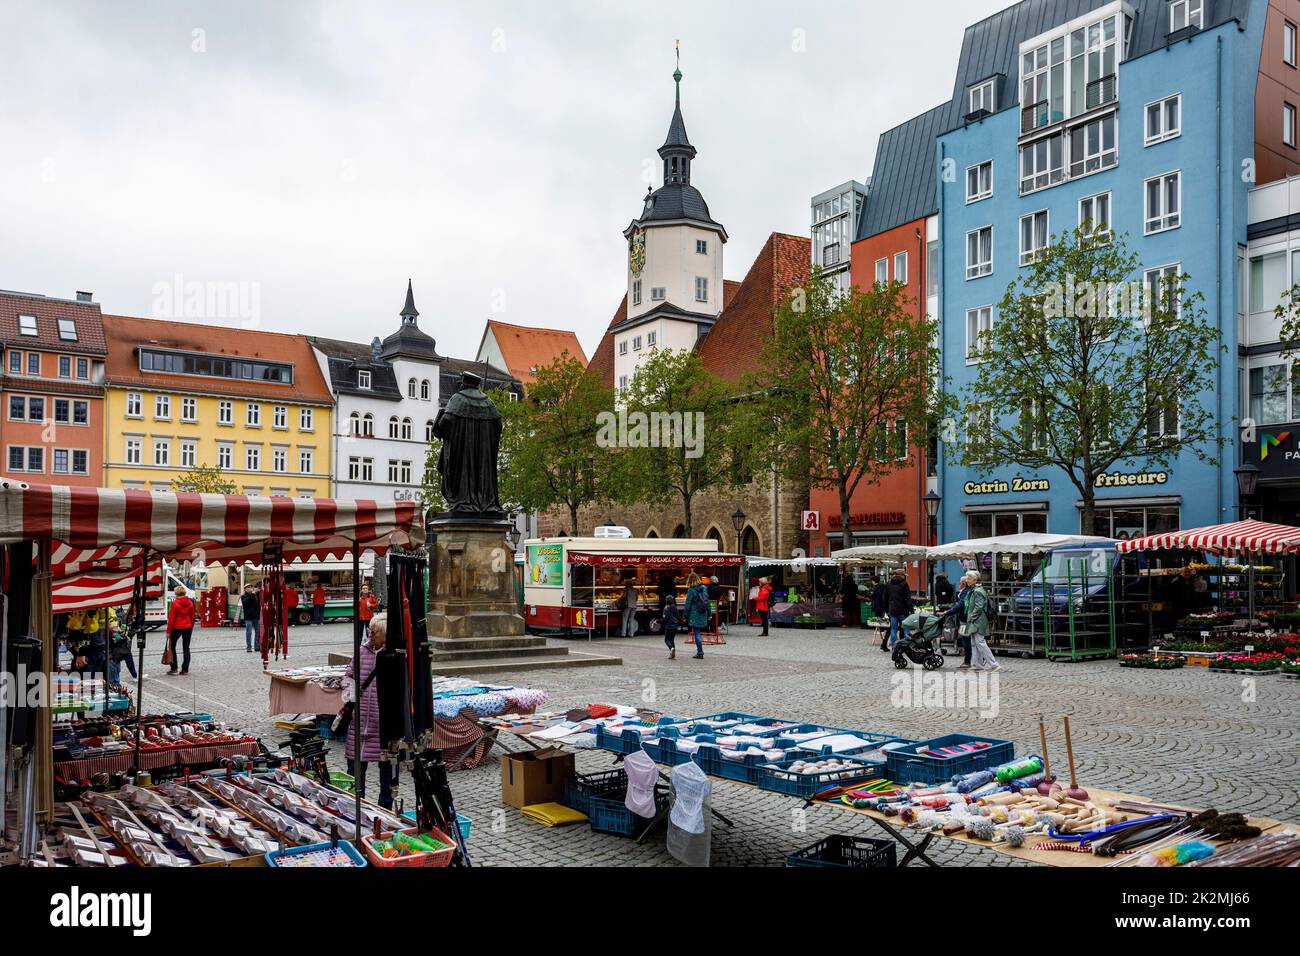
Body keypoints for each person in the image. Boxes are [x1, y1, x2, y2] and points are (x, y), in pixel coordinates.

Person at [343, 612, 395, 808]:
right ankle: (356, 806)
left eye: (375, 632)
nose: (370, 635)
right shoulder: (362, 651)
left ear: (385, 635)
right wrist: (350, 697)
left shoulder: (392, 655)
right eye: (370, 631)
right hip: (359, 720)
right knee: (355, 768)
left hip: (382, 724)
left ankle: (384, 809)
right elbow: (348, 677)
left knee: (387, 769)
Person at [961, 571, 999, 671]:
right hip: (975, 620)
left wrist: (971, 617)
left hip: (978, 620)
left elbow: (979, 607)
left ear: (975, 580)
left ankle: (993, 664)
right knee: (974, 642)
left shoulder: (977, 591)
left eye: (969, 578)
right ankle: (978, 665)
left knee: (980, 642)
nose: (967, 580)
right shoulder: (974, 590)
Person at [166, 584, 196, 676]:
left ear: (177, 593)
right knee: (186, 648)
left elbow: (171, 618)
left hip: (176, 627)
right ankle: (185, 669)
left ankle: (174, 667)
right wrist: (191, 627)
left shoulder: (175, 603)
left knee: (172, 647)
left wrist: (168, 631)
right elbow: (193, 617)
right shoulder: (190, 602)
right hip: (188, 627)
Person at [944, 575, 973, 668]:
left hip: (965, 619)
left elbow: (961, 605)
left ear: (964, 583)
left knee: (966, 639)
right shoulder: (965, 591)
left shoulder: (965, 592)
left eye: (960, 583)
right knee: (971, 640)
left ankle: (967, 661)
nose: (959, 584)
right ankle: (976, 660)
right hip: (966, 618)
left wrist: (948, 612)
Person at [883, 569, 913, 651]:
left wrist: (887, 609)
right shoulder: (904, 584)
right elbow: (907, 598)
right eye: (904, 575)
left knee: (893, 629)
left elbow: (885, 598)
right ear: (901, 575)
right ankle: (906, 647)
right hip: (903, 610)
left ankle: (894, 647)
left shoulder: (889, 584)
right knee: (906, 628)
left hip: (892, 610)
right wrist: (911, 610)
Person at [685, 573, 711, 658]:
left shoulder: (691, 590)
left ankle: (700, 652)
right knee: (698, 632)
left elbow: (688, 604)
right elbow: (707, 602)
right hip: (703, 613)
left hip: (694, 614)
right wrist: (709, 613)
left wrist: (685, 615)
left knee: (697, 633)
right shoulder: (704, 588)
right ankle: (700, 652)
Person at [240, 584, 261, 653]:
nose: (250, 588)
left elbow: (258, 605)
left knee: (258, 631)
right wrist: (252, 595)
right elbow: (246, 603)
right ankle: (249, 647)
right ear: (245, 589)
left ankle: (257, 646)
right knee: (249, 632)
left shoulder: (255, 596)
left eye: (251, 587)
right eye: (248, 587)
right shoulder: (243, 596)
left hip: (256, 616)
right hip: (248, 617)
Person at [661, 594, 679, 660]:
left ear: (666, 601)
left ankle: (671, 648)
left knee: (666, 640)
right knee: (672, 640)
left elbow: (665, 618)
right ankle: (673, 655)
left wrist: (658, 621)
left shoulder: (666, 608)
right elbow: (678, 616)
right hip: (675, 626)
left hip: (669, 626)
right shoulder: (674, 607)